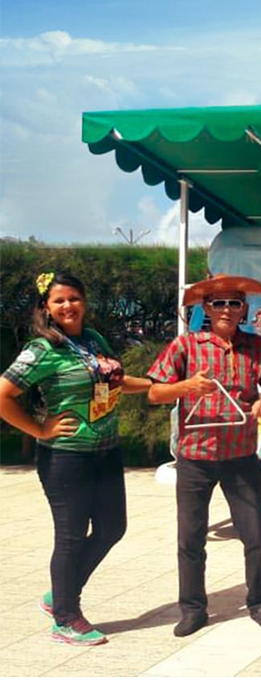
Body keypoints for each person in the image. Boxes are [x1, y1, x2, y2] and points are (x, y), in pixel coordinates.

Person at [0, 272, 151, 646]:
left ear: (84, 301)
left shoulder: (93, 340)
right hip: (66, 458)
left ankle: (59, 595)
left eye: (74, 298)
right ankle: (66, 618)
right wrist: (39, 429)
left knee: (112, 528)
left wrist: (158, 386)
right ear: (46, 308)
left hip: (106, 451)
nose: (68, 305)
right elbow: (2, 395)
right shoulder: (41, 349)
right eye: (59, 300)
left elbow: (115, 381)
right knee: (70, 536)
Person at [148, 275, 261, 637]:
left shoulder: (258, 347)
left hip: (240, 455)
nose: (226, 310)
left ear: (244, 309)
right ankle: (193, 609)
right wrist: (186, 387)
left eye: (234, 303)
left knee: (255, 535)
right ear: (206, 309)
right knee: (190, 539)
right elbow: (155, 393)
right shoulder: (186, 345)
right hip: (195, 457)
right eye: (218, 303)